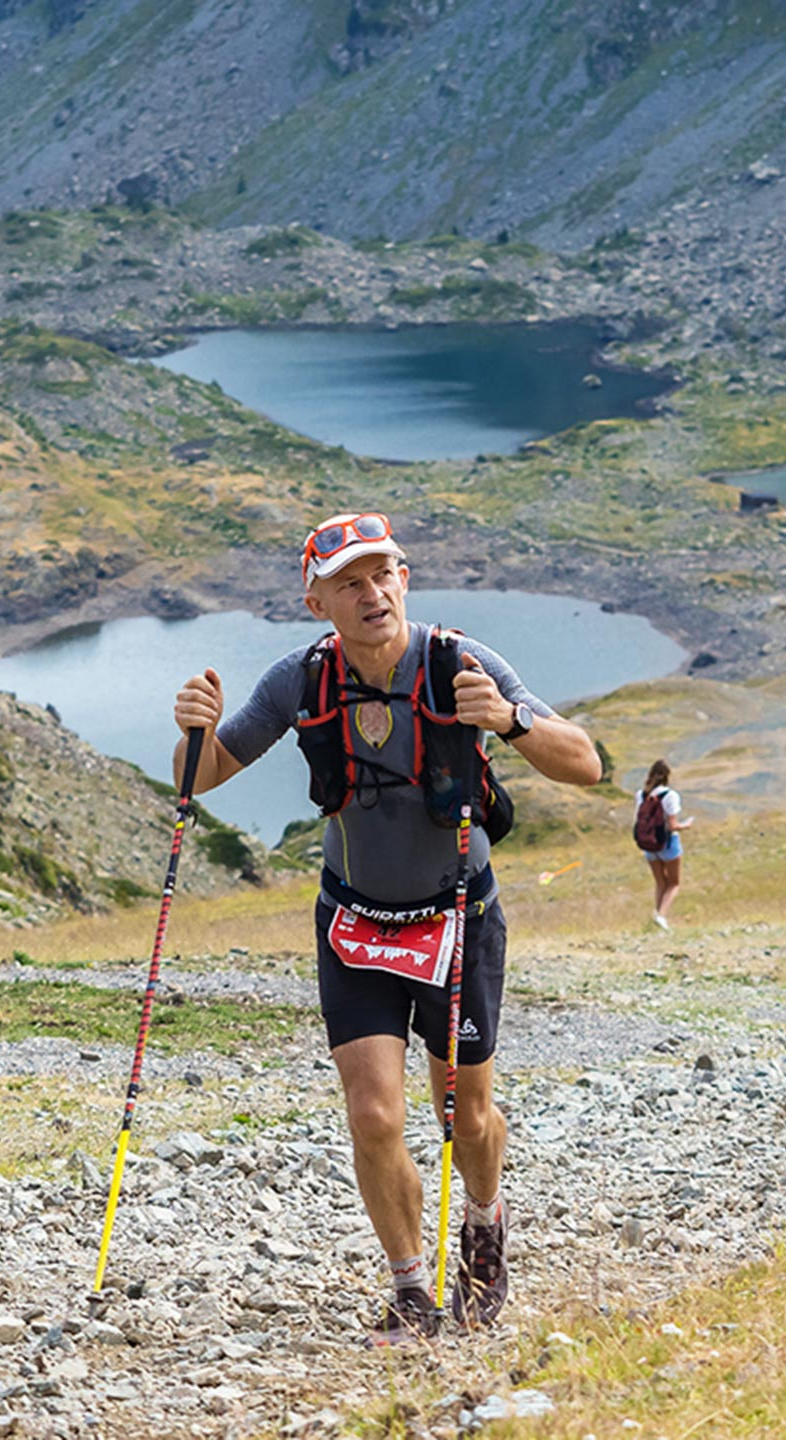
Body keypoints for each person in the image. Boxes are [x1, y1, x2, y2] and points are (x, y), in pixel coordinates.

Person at [171, 513, 600, 1345]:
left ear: (405, 578)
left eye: (385, 574)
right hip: (355, 923)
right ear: (317, 600)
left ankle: (484, 1222)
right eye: (351, 583)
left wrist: (509, 721)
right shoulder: (300, 680)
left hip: (457, 919)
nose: (374, 593)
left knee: (463, 1117)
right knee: (373, 1116)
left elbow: (586, 763)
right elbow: (201, 778)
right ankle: (411, 1294)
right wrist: (189, 729)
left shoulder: (461, 664)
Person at [634, 758, 694, 931]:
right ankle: (660, 917)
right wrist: (687, 825)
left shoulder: (641, 795)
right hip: (668, 842)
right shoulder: (670, 796)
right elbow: (673, 825)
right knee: (674, 883)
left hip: (648, 844)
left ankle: (658, 915)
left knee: (660, 883)